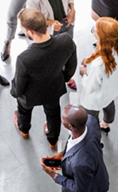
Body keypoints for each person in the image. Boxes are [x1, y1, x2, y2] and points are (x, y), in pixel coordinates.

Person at [11, 9, 78, 151]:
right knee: (53, 113)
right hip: (53, 89)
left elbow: (19, 87)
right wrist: (65, 78)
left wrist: (14, 92)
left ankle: (24, 130)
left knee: (23, 111)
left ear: (31, 32)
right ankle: (52, 141)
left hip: (30, 95)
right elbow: (72, 65)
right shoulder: (65, 40)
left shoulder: (25, 59)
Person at [25, 0, 78, 90]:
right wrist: (50, 23)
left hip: (67, 23)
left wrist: (72, 10)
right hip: (50, 30)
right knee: (53, 55)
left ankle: (68, 77)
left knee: (67, 50)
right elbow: (33, 19)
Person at [79, 17, 118, 133]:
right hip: (113, 89)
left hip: (95, 98)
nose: (93, 32)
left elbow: (90, 88)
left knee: (91, 117)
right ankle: (106, 123)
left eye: (95, 31)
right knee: (109, 105)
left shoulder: (99, 64)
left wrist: (83, 74)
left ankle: (95, 133)